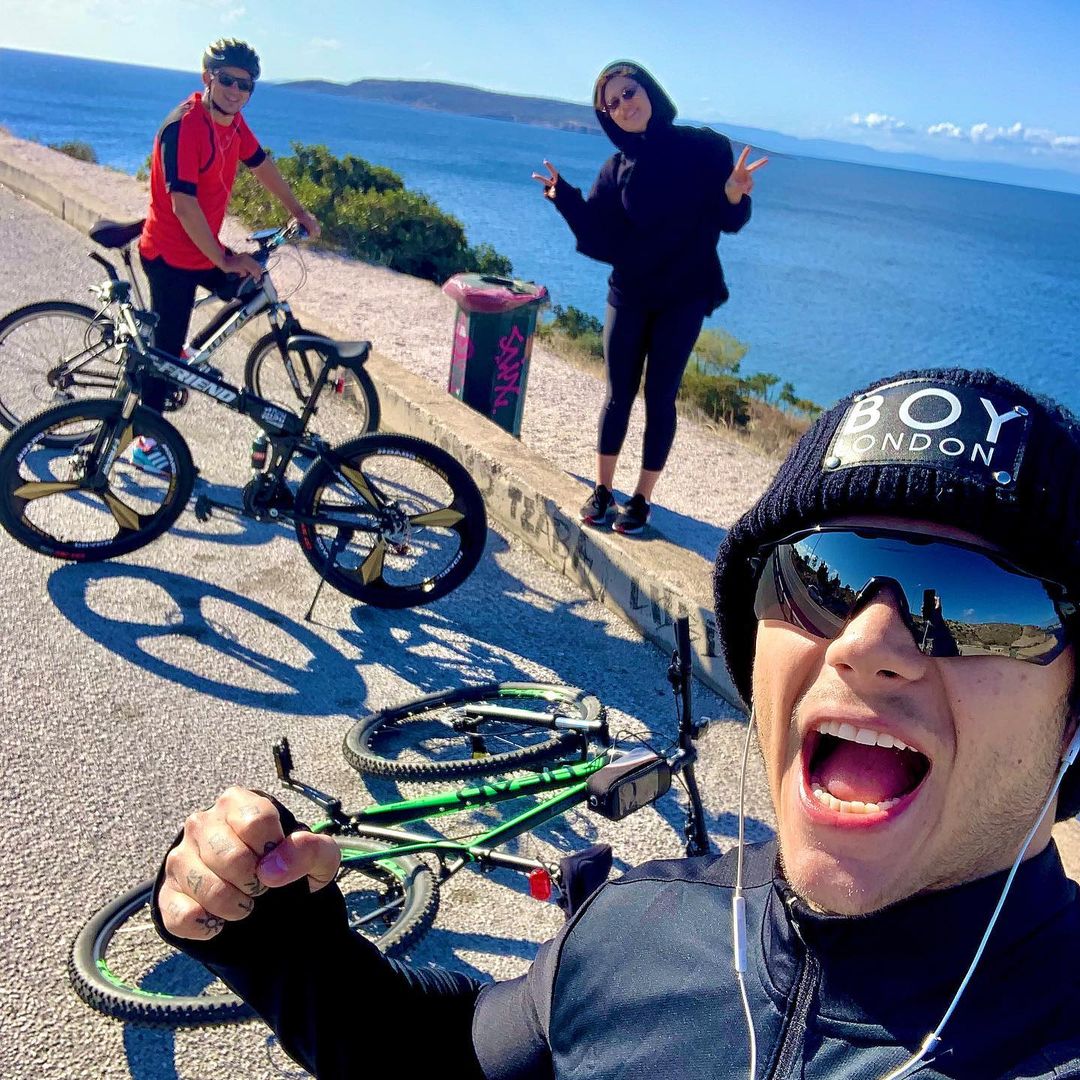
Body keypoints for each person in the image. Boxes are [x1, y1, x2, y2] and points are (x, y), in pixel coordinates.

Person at [154, 367, 1080, 1078]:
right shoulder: (644, 924)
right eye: (821, 576)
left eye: (975, 603)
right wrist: (279, 940)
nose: (865, 643)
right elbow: (449, 1060)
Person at [531, 61, 766, 535]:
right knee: (618, 394)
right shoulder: (615, 168)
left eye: (629, 92)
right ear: (608, 116)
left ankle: (641, 498)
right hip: (630, 293)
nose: (623, 105)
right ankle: (602, 490)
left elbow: (728, 220)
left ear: (649, 91)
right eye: (611, 104)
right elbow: (600, 234)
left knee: (660, 398)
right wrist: (566, 199)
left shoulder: (703, 148)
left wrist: (733, 193)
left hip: (685, 295)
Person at [133, 38, 320, 472]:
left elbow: (261, 164)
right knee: (163, 356)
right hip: (169, 254)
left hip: (202, 249)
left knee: (250, 285)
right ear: (208, 78)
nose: (236, 91)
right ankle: (145, 440)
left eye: (246, 84)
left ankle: (185, 357)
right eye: (228, 80)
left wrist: (298, 211)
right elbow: (183, 205)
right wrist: (225, 258)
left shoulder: (233, 124)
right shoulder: (185, 126)